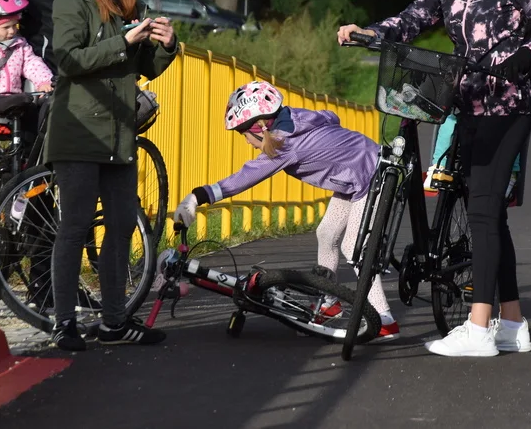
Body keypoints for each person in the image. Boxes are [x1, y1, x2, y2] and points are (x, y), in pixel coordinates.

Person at [338, 0, 531, 357]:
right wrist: (371, 32)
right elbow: (414, 18)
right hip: (466, 101)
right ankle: (513, 321)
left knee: (482, 208)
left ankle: (479, 327)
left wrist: (525, 54)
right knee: (490, 214)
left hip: (508, 104)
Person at [172, 80, 401, 340]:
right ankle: (330, 303)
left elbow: (246, 177)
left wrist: (196, 197)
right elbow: (330, 116)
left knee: (354, 248)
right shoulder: (293, 116)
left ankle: (384, 319)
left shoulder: (284, 145)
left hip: (373, 179)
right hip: (358, 176)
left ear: (259, 127)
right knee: (326, 234)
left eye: (243, 133)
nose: (246, 142)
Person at [44, 0, 177, 351]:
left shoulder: (127, 1)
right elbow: (67, 58)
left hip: (120, 133)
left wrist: (166, 45)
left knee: (121, 226)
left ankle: (114, 323)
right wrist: (123, 41)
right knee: (76, 226)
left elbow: (144, 69)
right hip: (79, 131)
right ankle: (64, 323)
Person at [0, 0, 54, 115]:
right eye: (6, 27)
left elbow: (31, 63)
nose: (12, 31)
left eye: (15, 25)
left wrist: (44, 81)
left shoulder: (19, 44)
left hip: (15, 103)